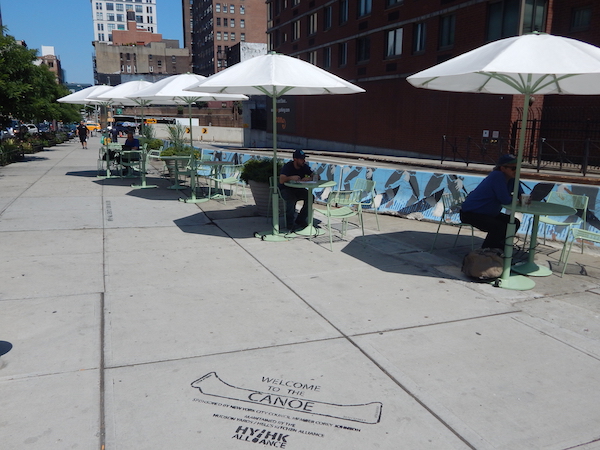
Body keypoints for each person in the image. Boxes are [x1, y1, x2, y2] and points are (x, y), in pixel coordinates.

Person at [460, 154, 524, 251]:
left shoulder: (512, 179)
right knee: (498, 226)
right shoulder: (497, 176)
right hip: (471, 213)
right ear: (503, 168)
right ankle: (486, 251)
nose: (517, 171)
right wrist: (516, 199)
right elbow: (505, 200)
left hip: (488, 213)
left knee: (514, 222)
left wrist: (522, 197)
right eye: (514, 168)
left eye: (518, 168)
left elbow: (521, 195)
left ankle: (501, 246)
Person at [279, 149, 315, 230]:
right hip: (286, 189)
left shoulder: (304, 167)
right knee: (291, 199)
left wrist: (309, 178)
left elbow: (316, 176)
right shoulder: (288, 166)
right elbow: (281, 180)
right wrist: (290, 178)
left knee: (310, 197)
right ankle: (290, 223)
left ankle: (300, 219)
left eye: (304, 159)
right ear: (295, 159)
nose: (304, 161)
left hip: (298, 189)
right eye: (302, 159)